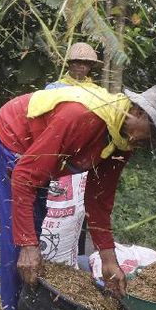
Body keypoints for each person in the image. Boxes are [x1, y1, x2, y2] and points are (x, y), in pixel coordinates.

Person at [0, 82, 156, 310]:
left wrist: (109, 261)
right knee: (20, 239)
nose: (152, 142)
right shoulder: (82, 117)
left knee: (33, 225)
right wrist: (27, 243)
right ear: (139, 112)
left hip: (39, 159)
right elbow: (25, 177)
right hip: (15, 137)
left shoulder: (123, 140)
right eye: (155, 132)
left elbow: (98, 200)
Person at [44, 42, 105, 256]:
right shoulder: (54, 89)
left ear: (90, 67)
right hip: (54, 148)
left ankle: (73, 253)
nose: (81, 67)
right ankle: (44, 244)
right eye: (77, 63)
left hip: (82, 153)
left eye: (85, 64)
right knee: (51, 196)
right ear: (69, 64)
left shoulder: (96, 93)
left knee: (79, 203)